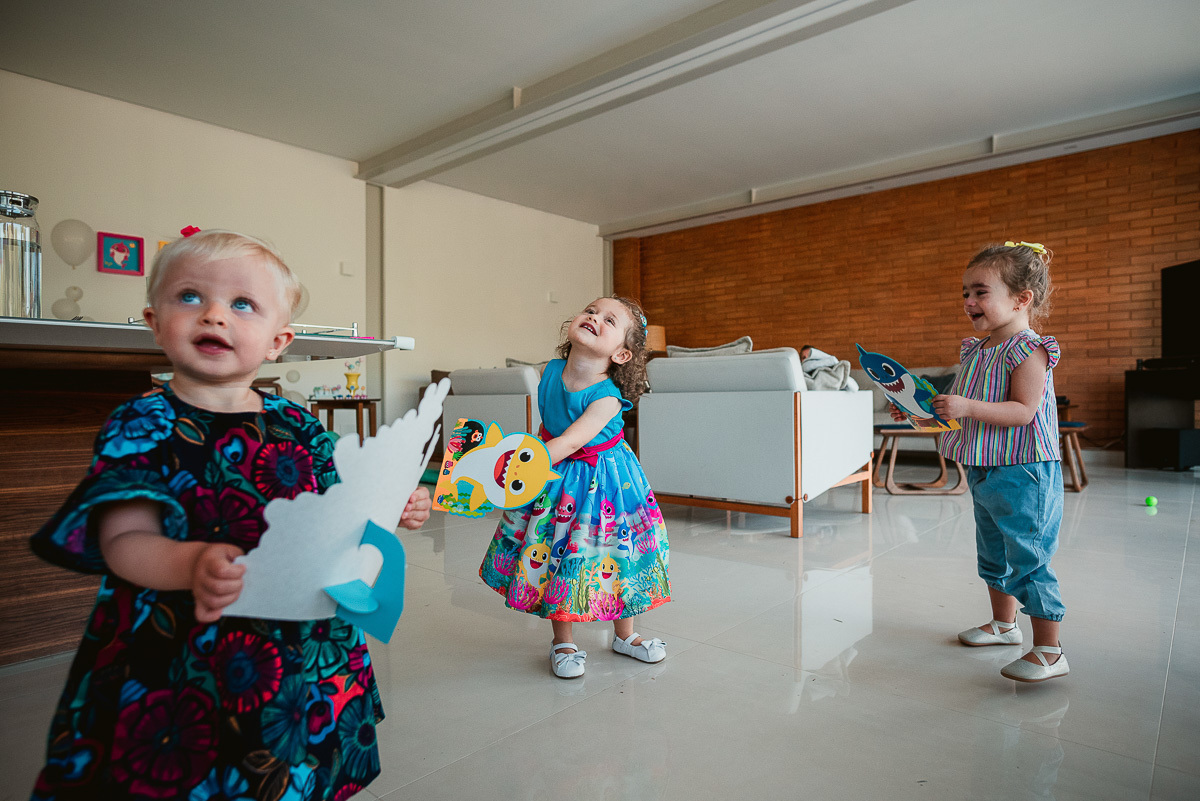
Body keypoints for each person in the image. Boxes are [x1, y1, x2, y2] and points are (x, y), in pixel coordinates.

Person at [28, 228, 432, 799]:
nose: (215, 315)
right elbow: (123, 539)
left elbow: (341, 508)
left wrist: (394, 506)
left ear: (277, 340)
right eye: (190, 297)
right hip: (183, 647)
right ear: (153, 320)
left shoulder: (298, 423)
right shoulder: (140, 423)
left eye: (242, 304)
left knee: (290, 760)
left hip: (301, 646)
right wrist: (188, 564)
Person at [898, 240, 1066, 683]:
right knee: (993, 553)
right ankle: (1004, 626)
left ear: (1021, 299)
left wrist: (967, 407)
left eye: (980, 291)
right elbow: (954, 406)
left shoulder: (1027, 350)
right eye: (965, 293)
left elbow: (1023, 411)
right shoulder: (975, 350)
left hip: (1023, 470)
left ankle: (1050, 649)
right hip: (983, 467)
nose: (969, 302)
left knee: (1028, 556)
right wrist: (919, 410)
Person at [479, 296, 671, 678]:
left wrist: (521, 467)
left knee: (618, 554)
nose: (594, 317)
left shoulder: (609, 398)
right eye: (591, 311)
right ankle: (562, 641)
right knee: (555, 551)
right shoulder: (549, 372)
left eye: (609, 320)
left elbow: (569, 442)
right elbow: (546, 430)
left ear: (621, 355)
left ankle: (625, 636)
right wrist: (521, 470)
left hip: (608, 485)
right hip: (556, 478)